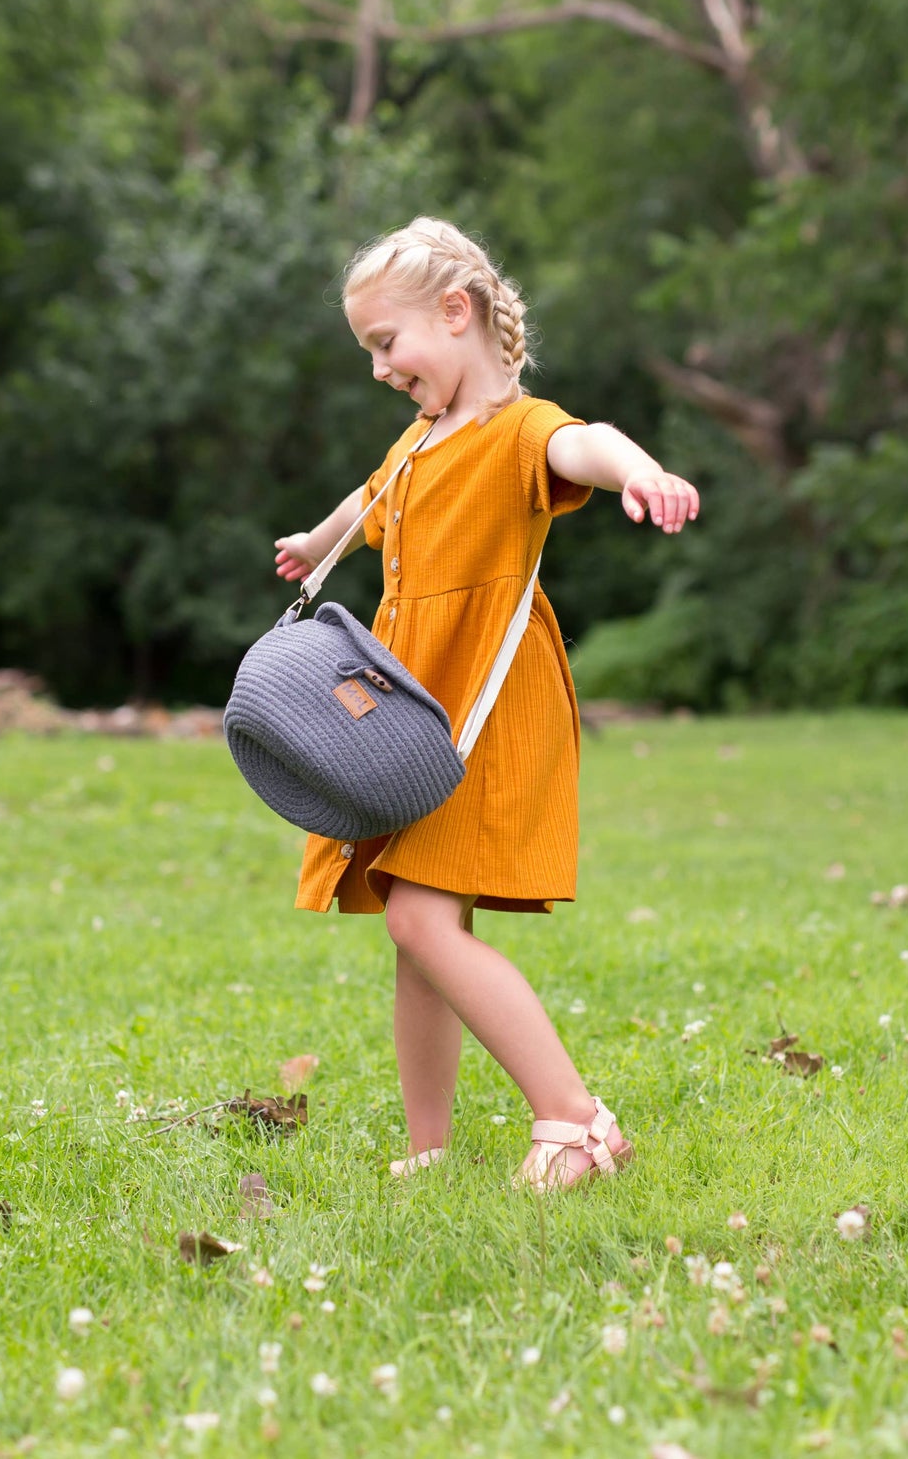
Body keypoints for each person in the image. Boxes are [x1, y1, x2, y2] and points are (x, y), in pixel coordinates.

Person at [271, 217, 701, 1192]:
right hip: (413, 705)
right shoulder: (419, 445)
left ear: (456, 312)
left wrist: (642, 473)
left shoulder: (515, 433)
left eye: (387, 343)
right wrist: (319, 541)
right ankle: (429, 1147)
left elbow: (585, 444)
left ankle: (574, 1121)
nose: (380, 367)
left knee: (419, 921)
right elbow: (365, 498)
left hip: (485, 706)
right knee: (422, 929)